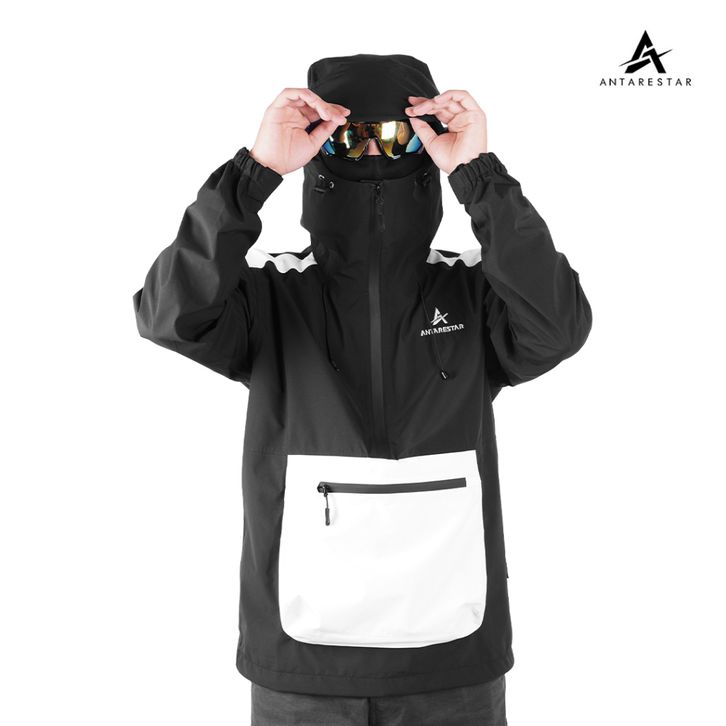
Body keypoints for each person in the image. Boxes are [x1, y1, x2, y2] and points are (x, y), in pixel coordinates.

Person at [132, 54, 593, 725]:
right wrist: (254, 172)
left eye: (398, 135)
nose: (374, 153)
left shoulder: (474, 289)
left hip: (453, 658)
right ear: (318, 150)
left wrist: (479, 175)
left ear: (427, 143)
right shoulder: (271, 293)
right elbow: (167, 315)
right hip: (302, 664)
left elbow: (559, 327)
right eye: (348, 136)